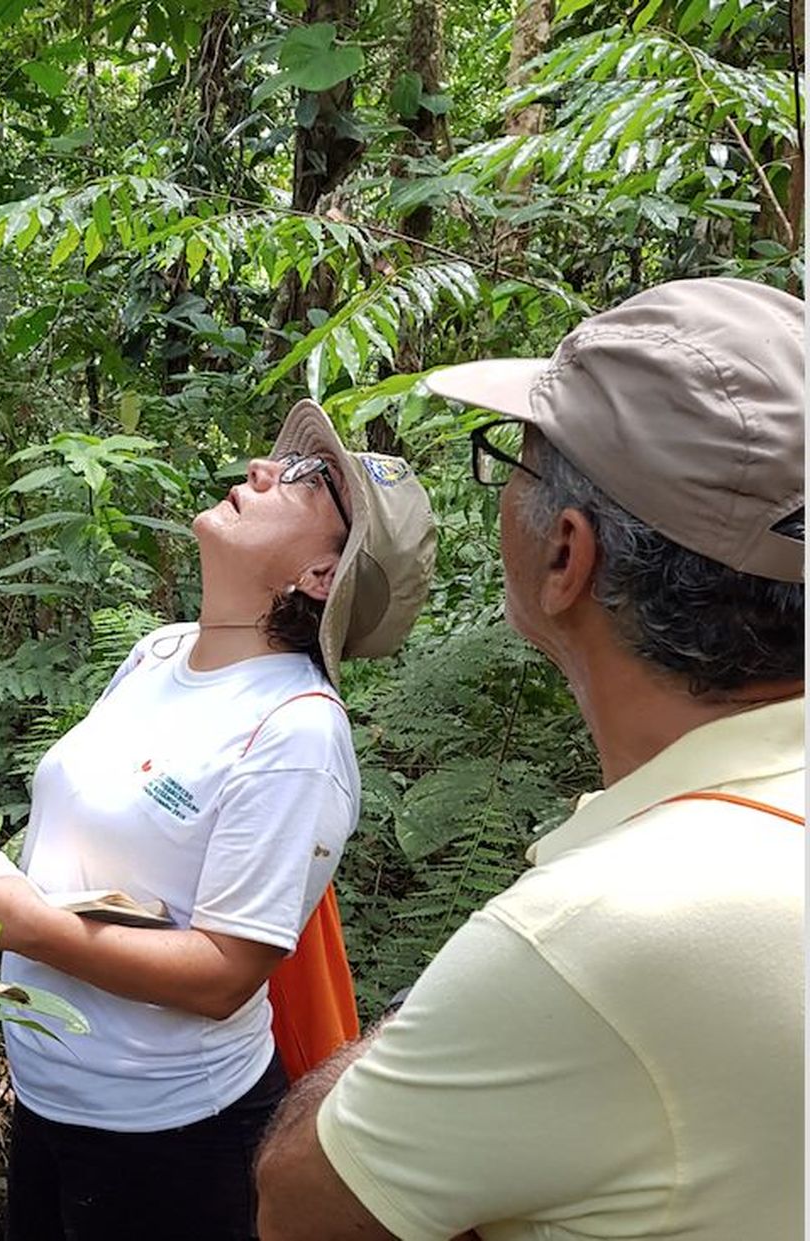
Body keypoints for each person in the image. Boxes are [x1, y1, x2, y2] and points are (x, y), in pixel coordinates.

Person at [255, 277, 805, 1241]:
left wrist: (426, 1018)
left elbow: (298, 1205)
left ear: (566, 556)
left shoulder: (595, 938)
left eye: (515, 457)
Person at [0, 399, 437, 1241]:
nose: (262, 469)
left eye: (304, 479)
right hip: (50, 1099)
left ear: (323, 573)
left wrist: (29, 929)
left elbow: (223, 974)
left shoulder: (297, 731)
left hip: (170, 1140)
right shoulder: (159, 651)